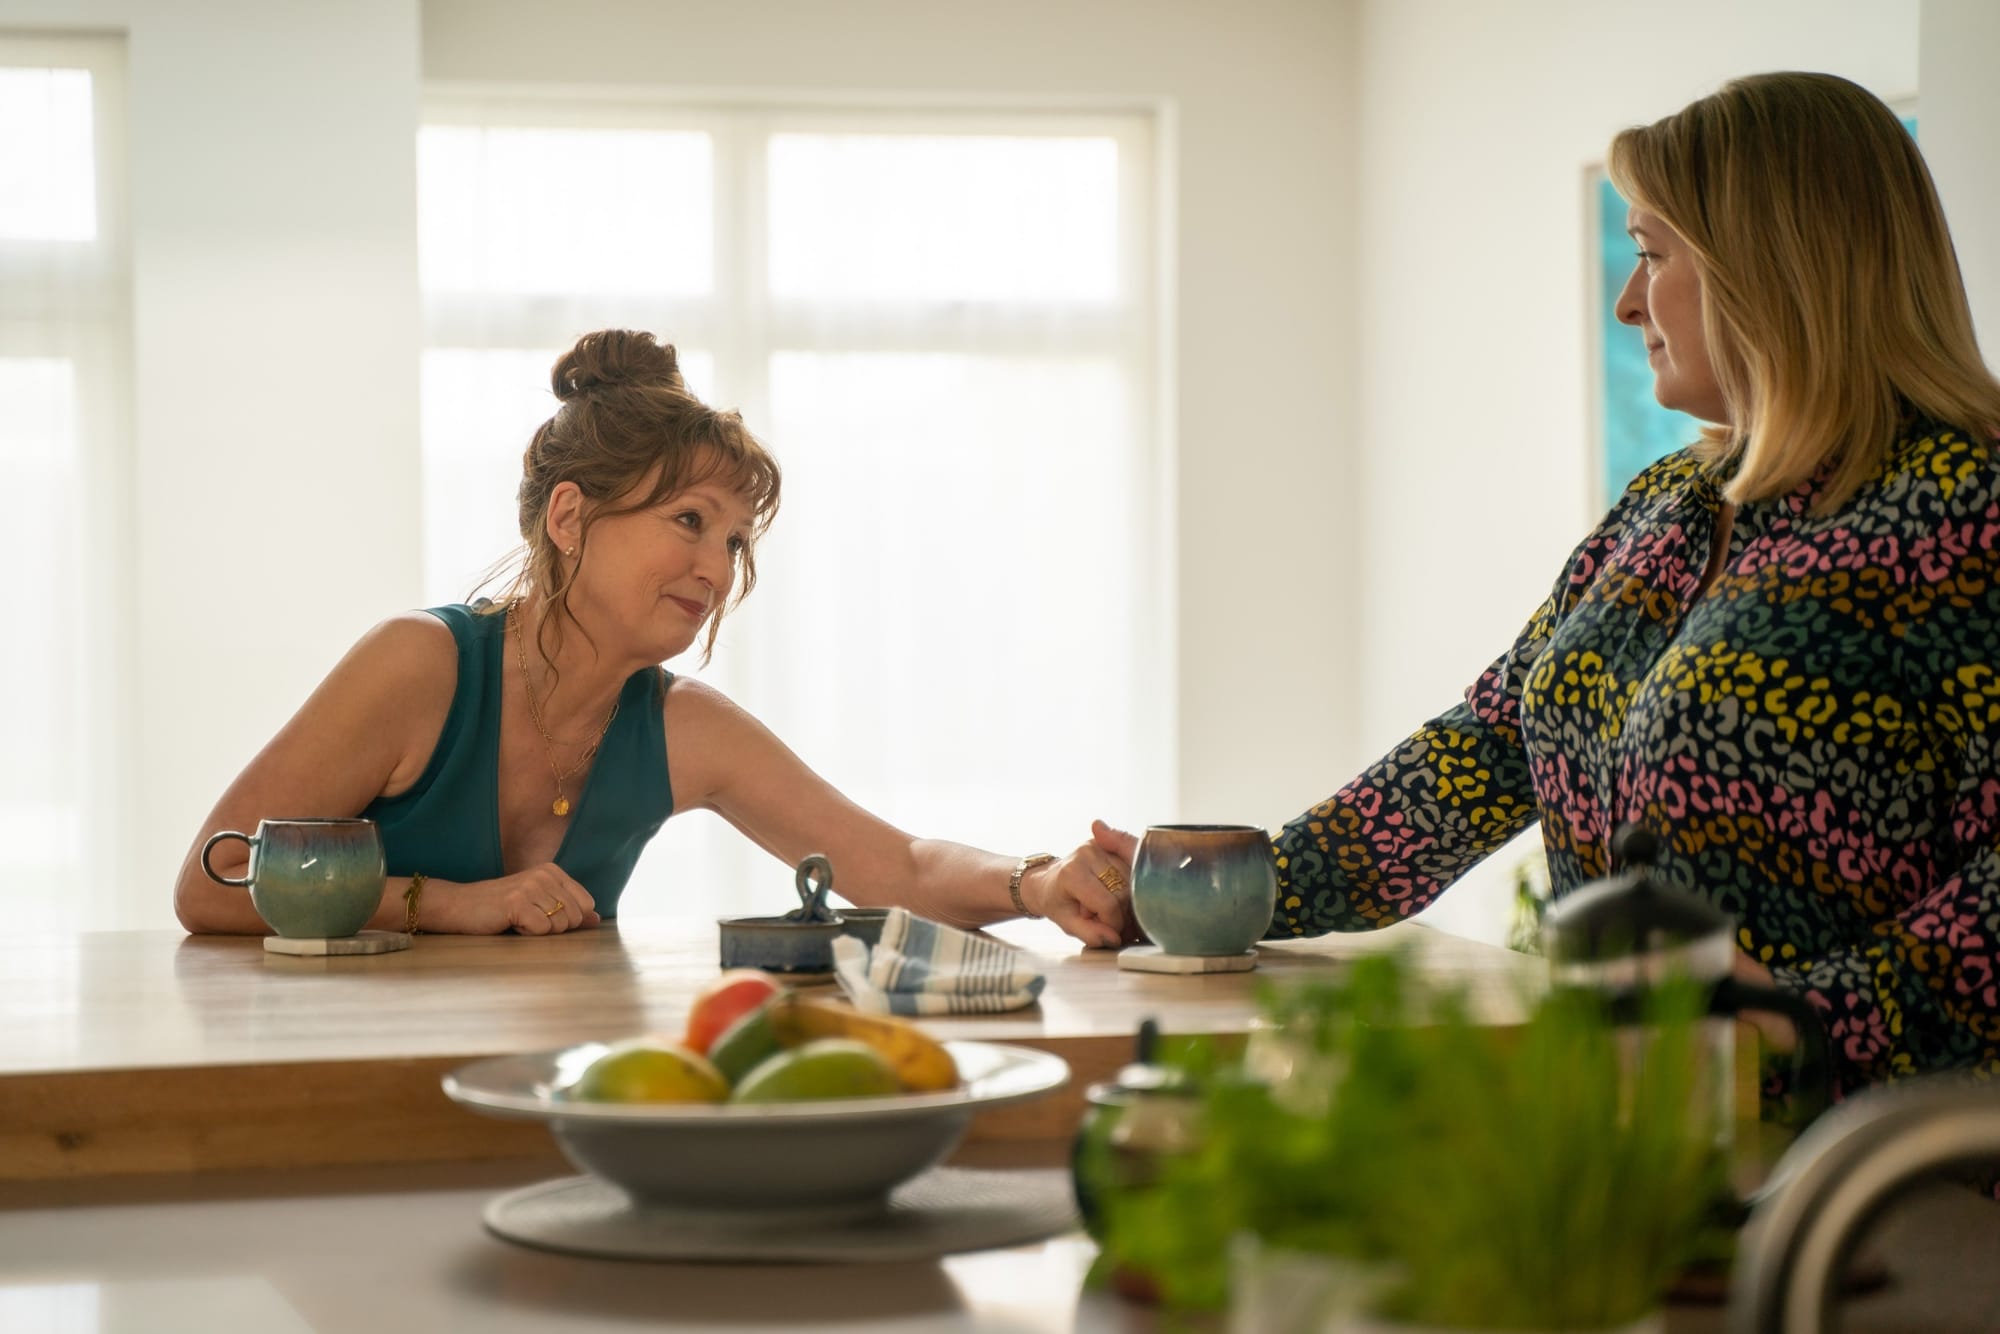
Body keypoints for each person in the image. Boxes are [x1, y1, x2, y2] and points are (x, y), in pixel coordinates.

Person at [1095, 72, 2000, 1102]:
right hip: (1633, 1131)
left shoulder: (1963, 505)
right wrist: (1202, 897)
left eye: (1652, 254)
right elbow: (1479, 752)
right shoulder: (1665, 506)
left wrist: (1813, 1020)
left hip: (1873, 1156)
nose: (1627, 302)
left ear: (1771, 265)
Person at [175, 330, 1132, 948]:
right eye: (688, 521)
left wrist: (1041, 883)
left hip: (558, 1090)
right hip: (351, 1078)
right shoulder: (418, 666)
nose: (716, 568)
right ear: (568, 517)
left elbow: (901, 868)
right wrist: (452, 903)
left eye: (735, 541)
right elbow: (214, 885)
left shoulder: (685, 730)